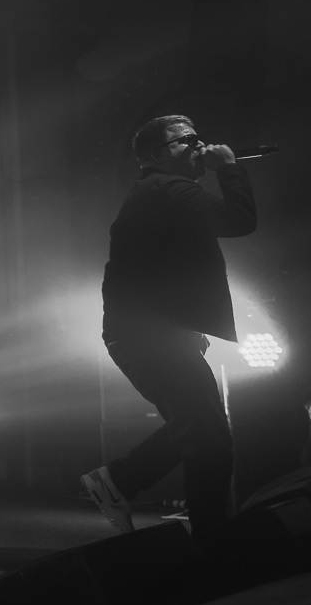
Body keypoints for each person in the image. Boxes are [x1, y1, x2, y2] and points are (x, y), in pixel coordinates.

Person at [82, 115, 256, 536]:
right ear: (157, 155)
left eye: (199, 138)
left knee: (199, 431)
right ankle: (210, 540)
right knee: (207, 436)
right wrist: (229, 168)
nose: (199, 146)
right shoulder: (167, 188)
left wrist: (187, 327)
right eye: (187, 140)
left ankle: (120, 481)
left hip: (149, 335)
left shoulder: (160, 193)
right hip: (148, 337)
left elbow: (164, 270)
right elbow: (239, 220)